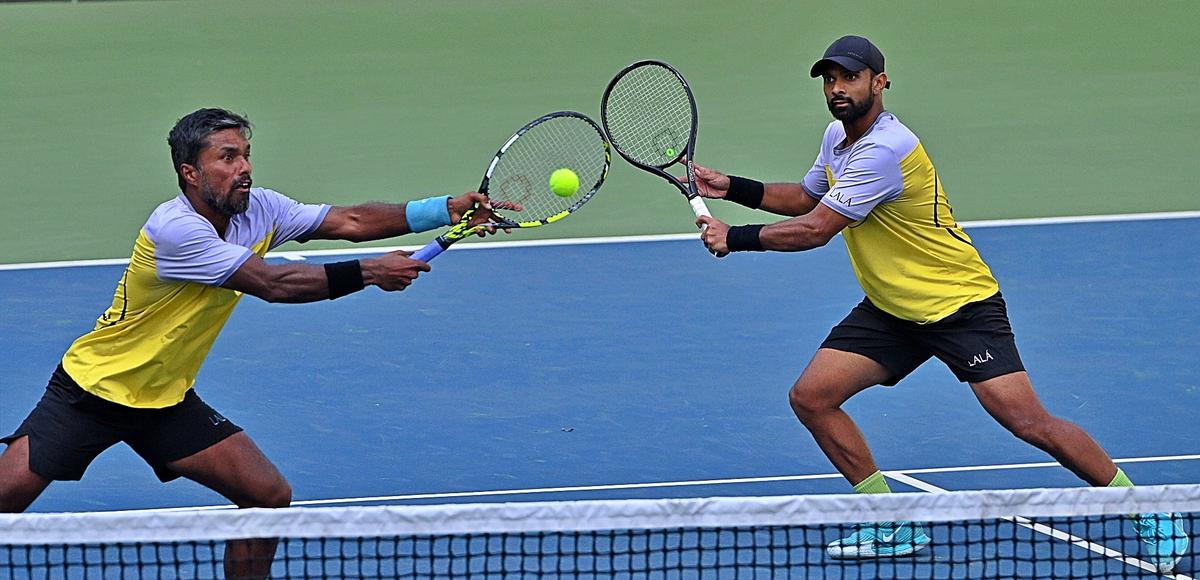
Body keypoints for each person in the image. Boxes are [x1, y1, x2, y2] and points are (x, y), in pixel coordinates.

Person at [690, 36, 1188, 572]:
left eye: (850, 78)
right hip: (893, 309)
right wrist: (732, 187)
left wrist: (734, 238)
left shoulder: (885, 150)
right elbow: (809, 197)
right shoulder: (838, 137)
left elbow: (815, 229)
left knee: (1028, 422)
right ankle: (890, 520)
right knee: (812, 398)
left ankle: (1149, 509)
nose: (837, 89)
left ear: (879, 83)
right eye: (829, 79)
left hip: (959, 306)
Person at [0, 108, 516, 578]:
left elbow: (351, 221)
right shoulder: (176, 231)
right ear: (190, 173)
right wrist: (371, 272)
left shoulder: (260, 209)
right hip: (91, 392)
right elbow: (274, 284)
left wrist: (444, 209)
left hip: (164, 399)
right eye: (227, 157)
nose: (243, 167)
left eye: (246, 154)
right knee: (5, 502)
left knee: (267, 495)